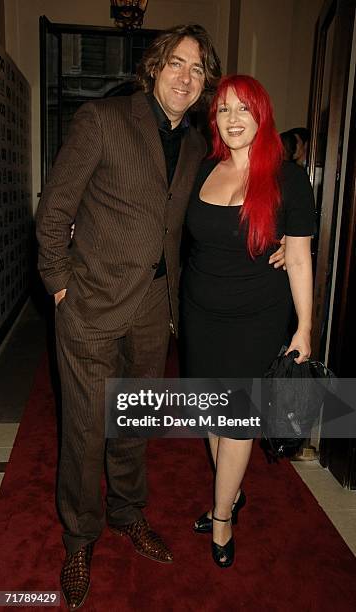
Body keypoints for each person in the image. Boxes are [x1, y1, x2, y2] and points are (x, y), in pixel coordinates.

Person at [37, 24, 284, 607]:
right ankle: (79, 538)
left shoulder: (201, 146)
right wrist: (59, 287)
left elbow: (221, 213)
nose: (185, 77)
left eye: (197, 71)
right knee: (84, 429)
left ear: (204, 86)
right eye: (177, 64)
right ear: (155, 67)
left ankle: (128, 514)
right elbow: (54, 210)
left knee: (135, 422)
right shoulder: (103, 120)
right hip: (90, 303)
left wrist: (282, 244)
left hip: (154, 307)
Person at [180, 74, 315, 568]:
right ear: (213, 119)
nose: (233, 119)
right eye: (223, 110)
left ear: (262, 116)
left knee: (237, 421)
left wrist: (304, 328)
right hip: (200, 312)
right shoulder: (203, 168)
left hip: (256, 315)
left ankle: (221, 516)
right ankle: (231, 493)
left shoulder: (287, 177)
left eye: (243, 110)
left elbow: (299, 259)